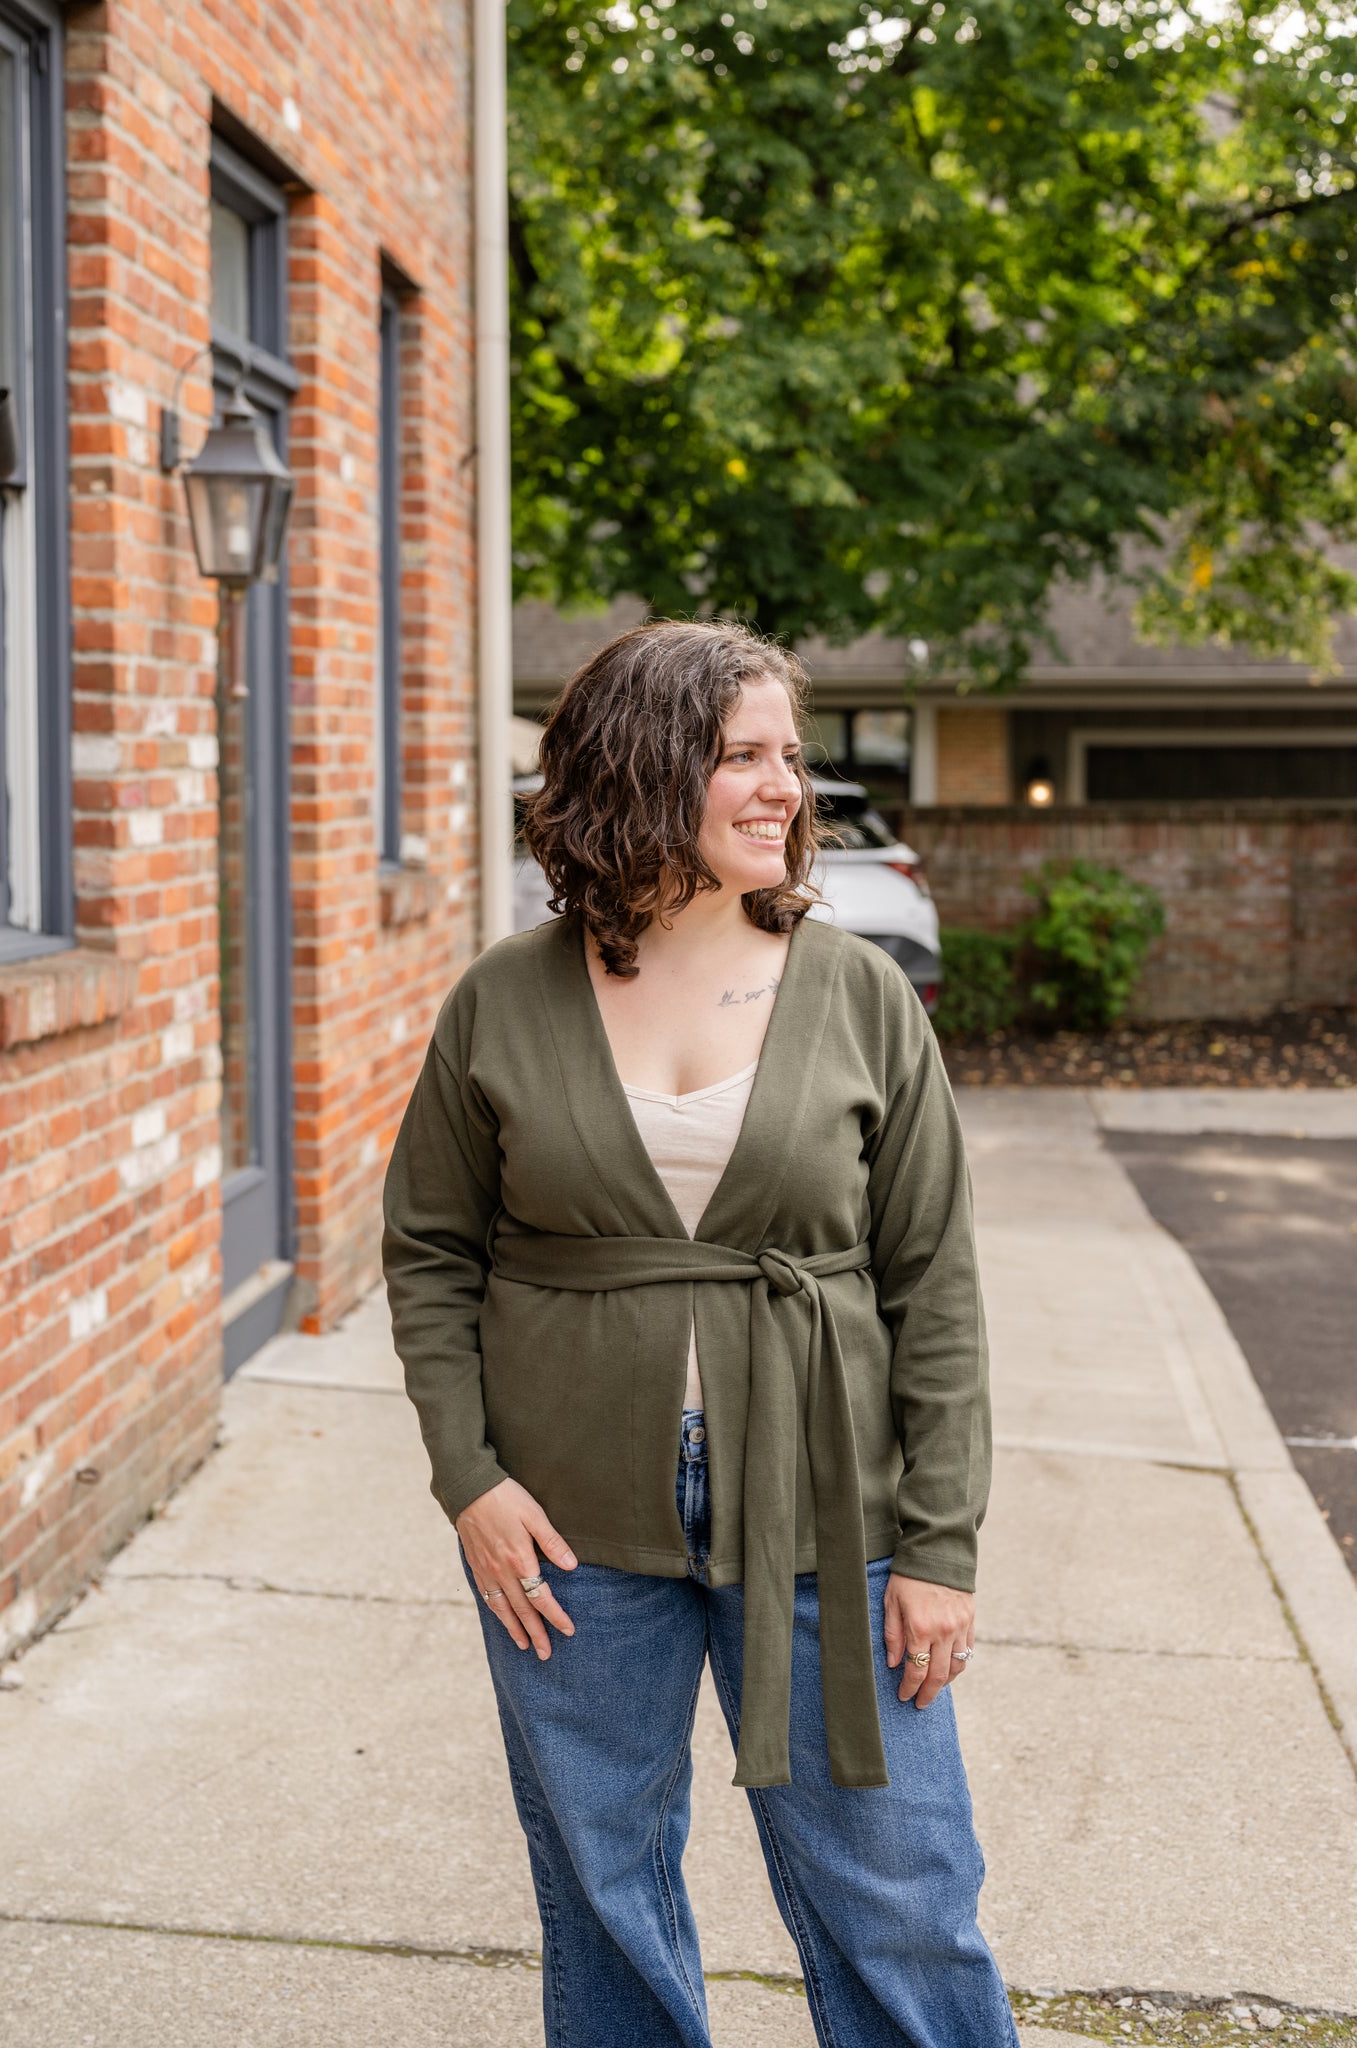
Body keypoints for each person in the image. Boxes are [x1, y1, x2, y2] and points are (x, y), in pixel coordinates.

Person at [382, 619, 1018, 2048]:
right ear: (642, 766)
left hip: (825, 1502)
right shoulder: (503, 996)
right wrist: (469, 1481)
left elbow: (935, 1284)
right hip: (566, 1523)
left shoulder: (852, 994)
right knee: (603, 1889)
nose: (782, 787)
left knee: (899, 1893)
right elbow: (428, 1249)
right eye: (742, 755)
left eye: (788, 758)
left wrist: (937, 1547)